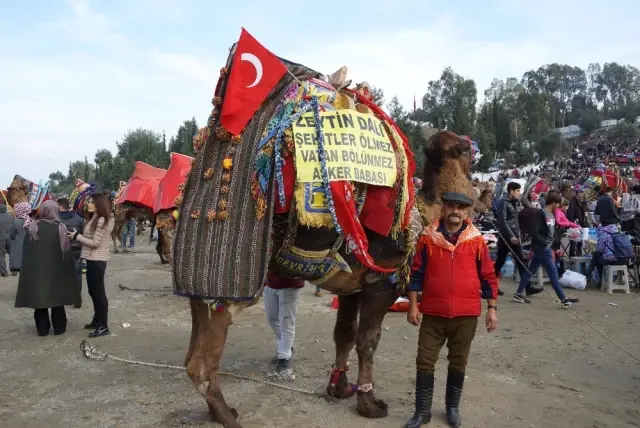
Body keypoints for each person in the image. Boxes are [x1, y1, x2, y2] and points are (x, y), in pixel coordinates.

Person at [405, 192, 499, 428]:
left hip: (466, 315)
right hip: (434, 313)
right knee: (424, 361)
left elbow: (488, 275)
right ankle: (422, 412)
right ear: (443, 209)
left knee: (458, 362)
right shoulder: (427, 238)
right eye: (451, 206)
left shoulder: (476, 240)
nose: (456, 211)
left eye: (460, 207)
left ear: (466, 212)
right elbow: (415, 274)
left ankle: (452, 408)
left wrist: (492, 308)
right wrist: (413, 306)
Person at [14, 201, 80, 336]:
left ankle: (42, 330)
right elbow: (66, 254)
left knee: (40, 301)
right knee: (57, 300)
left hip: (38, 273)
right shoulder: (61, 228)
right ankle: (59, 329)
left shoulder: (32, 228)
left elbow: (27, 253)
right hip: (57, 273)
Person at [513, 192, 579, 308]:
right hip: (543, 248)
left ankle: (518, 293)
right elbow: (534, 233)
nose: (558, 206)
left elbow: (550, 232)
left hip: (544, 247)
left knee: (530, 271)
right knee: (553, 273)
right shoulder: (541, 214)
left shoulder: (551, 213)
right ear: (553, 203)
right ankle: (563, 299)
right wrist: (545, 244)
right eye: (558, 204)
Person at [68, 192, 115, 338]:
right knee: (92, 292)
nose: (88, 204)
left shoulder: (102, 220)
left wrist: (77, 237)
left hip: (97, 260)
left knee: (99, 293)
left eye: (91, 202)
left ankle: (104, 325)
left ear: (99, 204)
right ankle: (97, 320)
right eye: (88, 202)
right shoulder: (95, 218)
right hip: (90, 259)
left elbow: (95, 243)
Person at [494, 182, 542, 297]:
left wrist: (518, 234)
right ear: (511, 191)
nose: (519, 193)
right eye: (517, 191)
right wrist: (511, 235)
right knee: (500, 262)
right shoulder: (503, 202)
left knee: (520, 261)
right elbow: (503, 221)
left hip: (514, 236)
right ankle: (489, 285)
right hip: (506, 237)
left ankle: (527, 286)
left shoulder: (514, 202)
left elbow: (515, 221)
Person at [263, 271, 303, 379]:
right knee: (272, 319)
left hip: (289, 284)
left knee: (287, 323)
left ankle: (284, 359)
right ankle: (287, 346)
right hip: (270, 282)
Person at [58, 197, 85, 308]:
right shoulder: (79, 219)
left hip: (60, 251)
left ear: (60, 206)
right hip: (76, 250)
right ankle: (77, 297)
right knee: (77, 274)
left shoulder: (56, 220)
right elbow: (83, 235)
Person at [8, 202, 31, 276]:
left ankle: (15, 270)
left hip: (18, 245)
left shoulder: (16, 222)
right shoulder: (31, 221)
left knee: (16, 257)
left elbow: (12, 236)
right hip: (29, 245)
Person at [566, 188, 587, 256]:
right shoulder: (573, 202)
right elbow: (570, 214)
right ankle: (572, 257)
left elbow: (583, 212)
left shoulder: (580, 201)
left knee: (579, 241)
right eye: (581, 193)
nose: (582, 194)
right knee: (573, 242)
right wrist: (572, 224)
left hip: (579, 224)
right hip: (574, 224)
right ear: (578, 194)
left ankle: (579, 255)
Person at [0, 203, 12, 277]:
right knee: (12, 254)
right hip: (10, 237)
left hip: (1, 238)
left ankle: (4, 272)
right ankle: (14, 271)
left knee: (1, 255)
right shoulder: (10, 216)